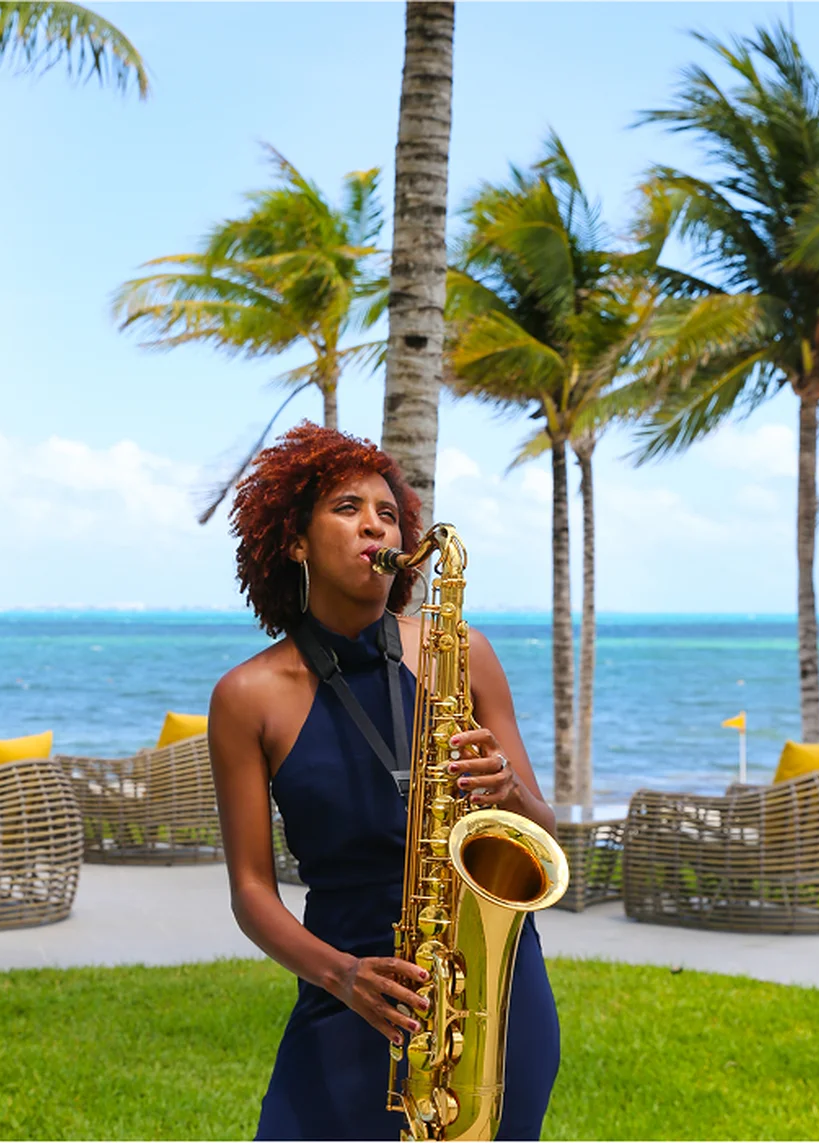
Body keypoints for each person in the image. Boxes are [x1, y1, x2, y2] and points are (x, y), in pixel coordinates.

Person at [209, 422, 561, 1141]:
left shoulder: (464, 652)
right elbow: (250, 891)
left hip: (489, 996)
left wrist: (508, 792)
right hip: (352, 986)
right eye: (347, 507)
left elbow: (542, 834)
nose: (375, 524)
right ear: (295, 540)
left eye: (390, 513)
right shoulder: (247, 696)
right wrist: (341, 975)